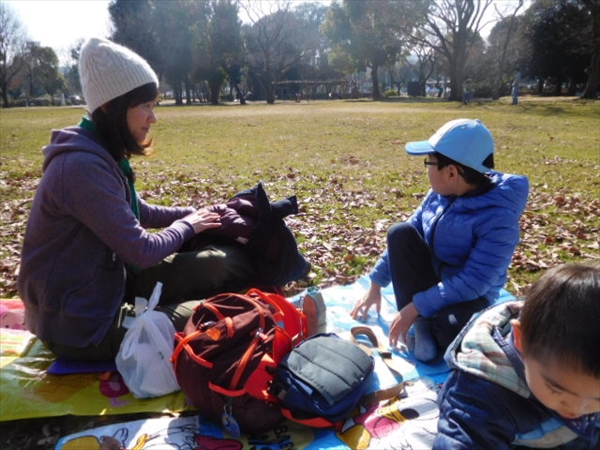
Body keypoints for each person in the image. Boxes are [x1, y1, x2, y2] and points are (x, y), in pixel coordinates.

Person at [18, 37, 257, 361]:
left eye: (153, 105)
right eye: (144, 106)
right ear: (109, 107)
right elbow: (142, 250)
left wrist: (196, 214)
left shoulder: (99, 152)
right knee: (216, 314)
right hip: (80, 326)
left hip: (108, 287)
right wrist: (189, 224)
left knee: (219, 265)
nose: (153, 117)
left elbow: (138, 211)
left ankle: (259, 289)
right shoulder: (80, 167)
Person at [350, 118, 529, 362]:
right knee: (399, 232)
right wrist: (376, 285)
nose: (427, 170)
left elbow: (473, 282)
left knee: (451, 331)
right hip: (434, 280)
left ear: (452, 172)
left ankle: (426, 323)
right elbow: (408, 233)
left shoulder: (499, 218)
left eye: (429, 163)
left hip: (470, 295)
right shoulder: (439, 194)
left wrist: (415, 307)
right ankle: (423, 324)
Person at [434, 263, 600, 449]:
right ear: (522, 340)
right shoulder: (481, 397)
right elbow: (460, 442)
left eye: (598, 399)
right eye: (556, 389)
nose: (576, 409)